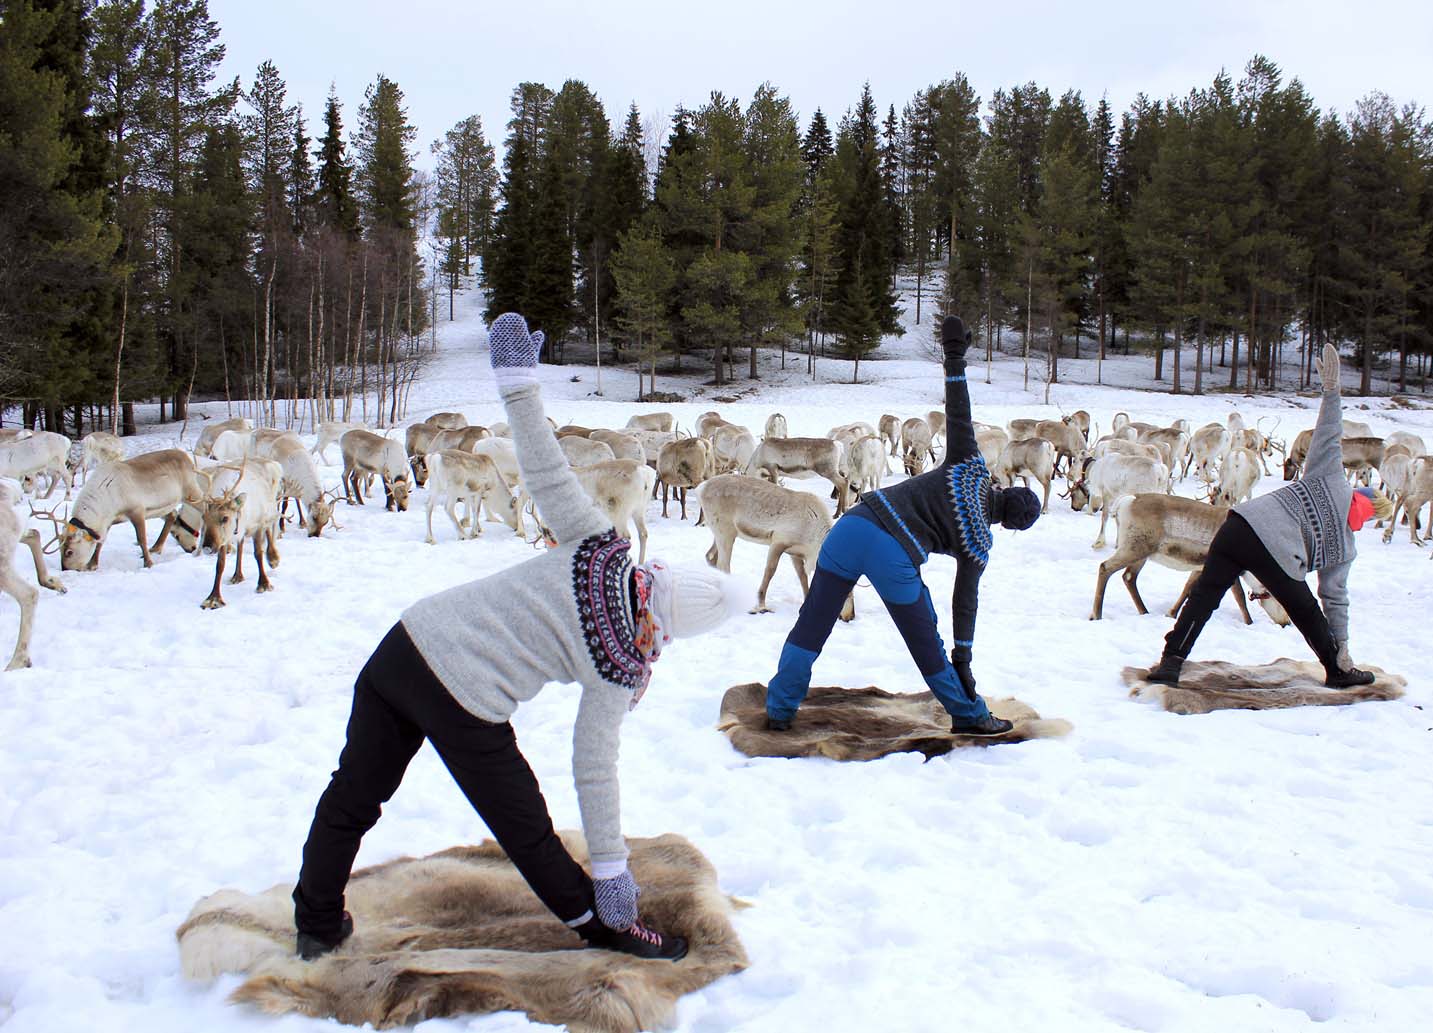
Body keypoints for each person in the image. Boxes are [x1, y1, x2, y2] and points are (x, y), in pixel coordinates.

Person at [291, 313, 746, 963]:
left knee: (354, 792)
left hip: (406, 644)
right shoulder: (620, 663)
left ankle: (315, 921)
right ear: (675, 629)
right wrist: (613, 873)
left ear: (661, 573)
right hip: (465, 696)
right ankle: (606, 925)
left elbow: (543, 465)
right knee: (528, 831)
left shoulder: (600, 545)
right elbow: (595, 773)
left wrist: (518, 382)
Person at [763, 314, 1042, 735]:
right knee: (925, 641)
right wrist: (962, 660)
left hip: (854, 523)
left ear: (1004, 487)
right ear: (1012, 526)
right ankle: (969, 716)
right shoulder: (980, 545)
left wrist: (954, 355)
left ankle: (780, 708)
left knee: (813, 622)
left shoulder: (969, 467)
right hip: (893, 551)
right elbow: (964, 605)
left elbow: (959, 410)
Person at [1145, 343, 1376, 688]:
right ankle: (1338, 670)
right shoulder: (1345, 546)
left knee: (1205, 596)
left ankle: (1171, 662)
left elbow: (1330, 433)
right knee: (1306, 611)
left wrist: (1332, 392)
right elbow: (1335, 599)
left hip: (1238, 525)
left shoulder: (1329, 478)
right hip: (1274, 549)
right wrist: (1342, 647)